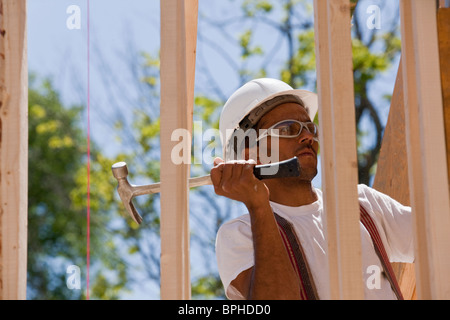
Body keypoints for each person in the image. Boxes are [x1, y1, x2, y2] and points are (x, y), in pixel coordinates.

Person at [211, 78, 414, 300]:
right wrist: (259, 206)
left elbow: (439, 240)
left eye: (310, 127)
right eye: (289, 129)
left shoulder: (361, 203)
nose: (308, 136)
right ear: (251, 155)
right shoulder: (239, 234)